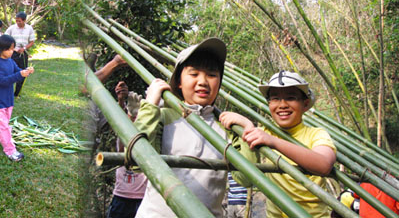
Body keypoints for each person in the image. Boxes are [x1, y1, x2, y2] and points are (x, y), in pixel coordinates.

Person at [133, 38, 231, 217]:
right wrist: (150, 106)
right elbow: (137, 161)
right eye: (194, 74)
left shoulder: (226, 127)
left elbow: (245, 179)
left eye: (211, 74)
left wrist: (246, 129)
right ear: (178, 81)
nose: (202, 81)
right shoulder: (164, 116)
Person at [220, 71, 337, 217]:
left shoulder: (316, 134)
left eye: (291, 98)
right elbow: (246, 178)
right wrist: (246, 125)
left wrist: (273, 142)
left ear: (305, 103)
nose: (282, 105)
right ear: (269, 104)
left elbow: (324, 164)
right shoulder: (265, 132)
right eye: (275, 98)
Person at [0, 34, 33, 162]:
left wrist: (25, 71)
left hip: (8, 99)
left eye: (13, 49)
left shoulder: (10, 61)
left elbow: (17, 72)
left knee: (1, 123)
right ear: (1, 49)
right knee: (3, 126)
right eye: (9, 49)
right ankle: (10, 150)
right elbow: (2, 81)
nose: (12, 51)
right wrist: (19, 75)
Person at [107, 80, 147, 218]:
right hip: (122, 196)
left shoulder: (148, 134)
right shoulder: (124, 134)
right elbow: (122, 124)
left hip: (144, 197)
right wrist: (120, 100)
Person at [5, 12, 36, 97]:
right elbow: (5, 39)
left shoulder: (29, 29)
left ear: (24, 21)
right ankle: (8, 91)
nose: (18, 22)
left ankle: (17, 93)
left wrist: (24, 48)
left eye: (19, 21)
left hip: (23, 53)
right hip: (13, 52)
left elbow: (32, 41)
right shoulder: (11, 28)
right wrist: (13, 48)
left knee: (23, 71)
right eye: (16, 21)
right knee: (10, 71)